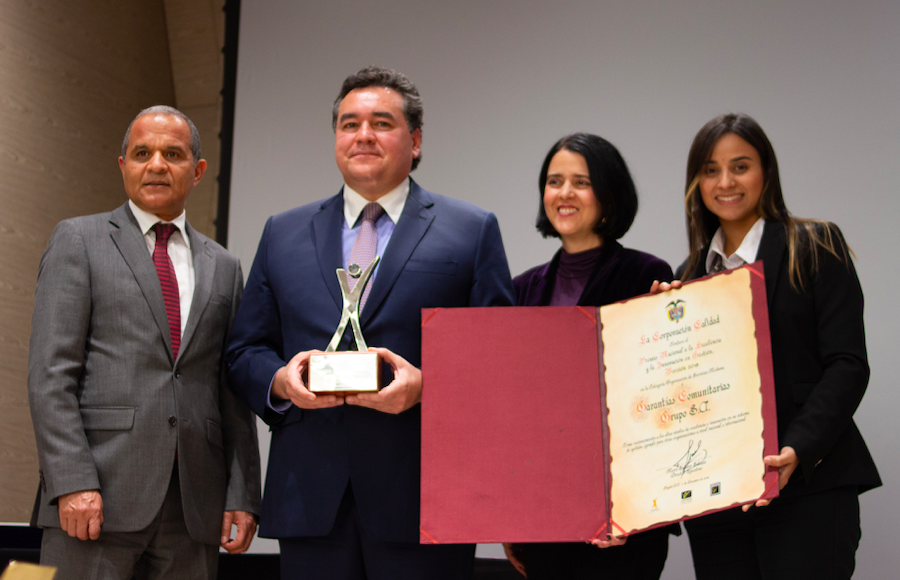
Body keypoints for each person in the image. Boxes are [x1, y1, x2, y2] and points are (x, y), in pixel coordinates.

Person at [225, 66, 515, 580]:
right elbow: (245, 351)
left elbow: (501, 361)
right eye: (348, 123)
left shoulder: (470, 231)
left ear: (416, 140)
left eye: (381, 122)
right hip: (309, 497)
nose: (363, 135)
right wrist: (280, 381)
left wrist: (427, 387)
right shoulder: (283, 231)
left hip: (424, 497)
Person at [27, 106, 262, 579]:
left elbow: (230, 391)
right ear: (123, 166)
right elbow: (51, 375)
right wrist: (71, 481)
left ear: (197, 171)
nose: (156, 164)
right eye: (142, 153)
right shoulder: (79, 240)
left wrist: (241, 492)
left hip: (194, 508)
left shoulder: (224, 265)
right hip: (96, 500)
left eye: (172, 154)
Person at [658, 113, 881, 579]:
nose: (725, 182)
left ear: (767, 172)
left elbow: (847, 365)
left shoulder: (816, 245)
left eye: (740, 166)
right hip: (719, 500)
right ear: (696, 183)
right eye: (710, 170)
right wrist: (659, 332)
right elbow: (685, 395)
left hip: (807, 484)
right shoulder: (687, 279)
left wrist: (798, 448)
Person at [506, 133, 678, 580]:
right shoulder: (521, 288)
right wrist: (510, 516)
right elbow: (514, 411)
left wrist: (632, 509)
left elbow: (658, 403)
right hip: (544, 513)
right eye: (554, 181)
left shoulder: (647, 275)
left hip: (625, 517)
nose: (564, 194)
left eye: (580, 182)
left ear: (608, 194)